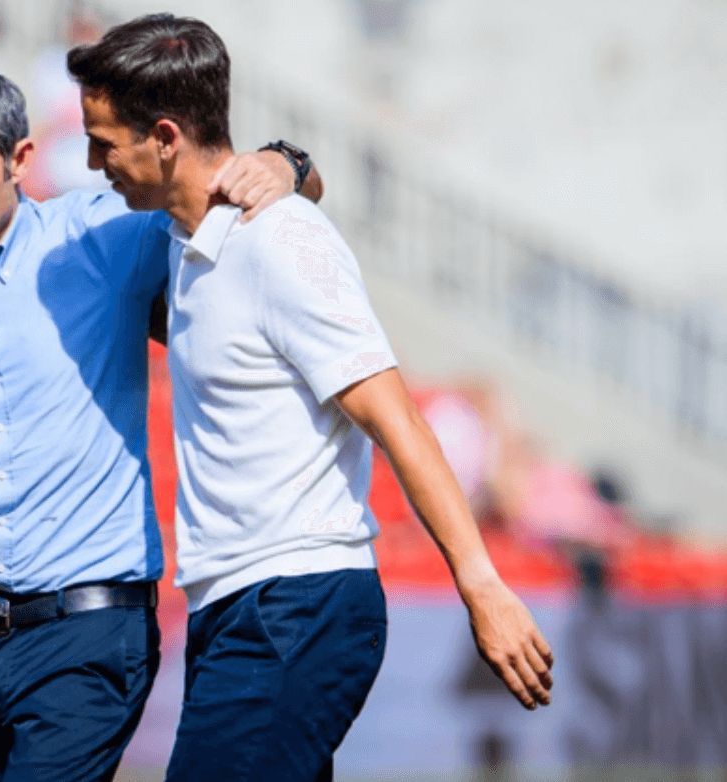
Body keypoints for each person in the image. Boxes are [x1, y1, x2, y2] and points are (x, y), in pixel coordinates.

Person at [0, 64, 319, 781]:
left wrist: (286, 165)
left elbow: (253, 208)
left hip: (87, 637)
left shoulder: (102, 236)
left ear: (19, 160)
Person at [67, 14, 554, 781]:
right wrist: (294, 160)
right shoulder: (181, 243)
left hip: (298, 601)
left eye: (104, 142)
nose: (93, 161)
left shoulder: (280, 242)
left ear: (164, 136)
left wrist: (482, 585)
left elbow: (397, 419)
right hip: (236, 606)